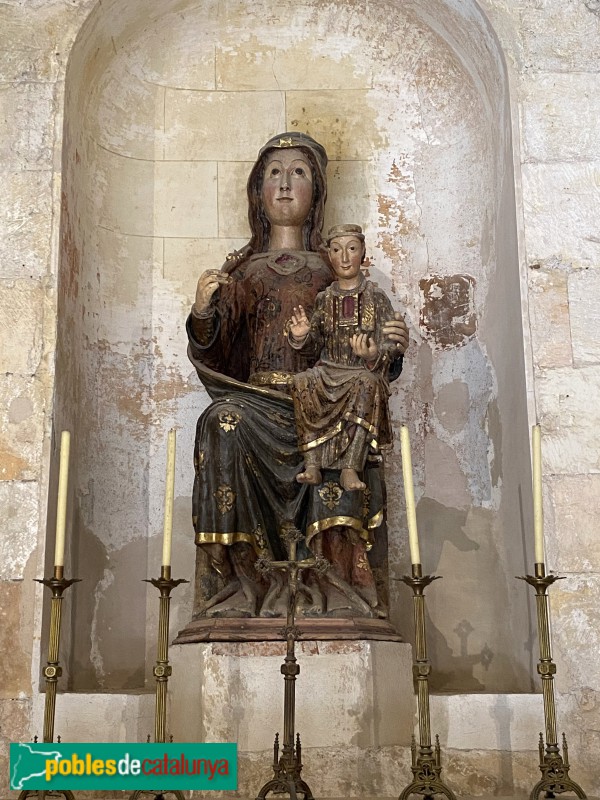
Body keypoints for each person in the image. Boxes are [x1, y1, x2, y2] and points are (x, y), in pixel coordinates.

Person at [187, 132, 409, 619]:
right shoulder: (243, 271)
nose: (285, 185)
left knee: (345, 433)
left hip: (324, 403)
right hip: (257, 404)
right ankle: (239, 584)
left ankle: (335, 589)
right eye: (274, 173)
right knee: (220, 421)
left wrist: (384, 349)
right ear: (257, 191)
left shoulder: (337, 274)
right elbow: (219, 352)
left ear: (318, 192)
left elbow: (371, 358)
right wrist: (205, 311)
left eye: (299, 173)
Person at [288, 224, 396, 493]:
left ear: (363, 254)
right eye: (337, 250)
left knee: (367, 384)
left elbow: (390, 343)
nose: (345, 257)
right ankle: (312, 463)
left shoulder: (376, 297)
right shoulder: (325, 299)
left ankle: (351, 466)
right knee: (301, 381)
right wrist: (302, 336)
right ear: (330, 257)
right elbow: (315, 343)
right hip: (328, 371)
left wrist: (373, 354)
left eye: (352, 249)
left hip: (359, 372)